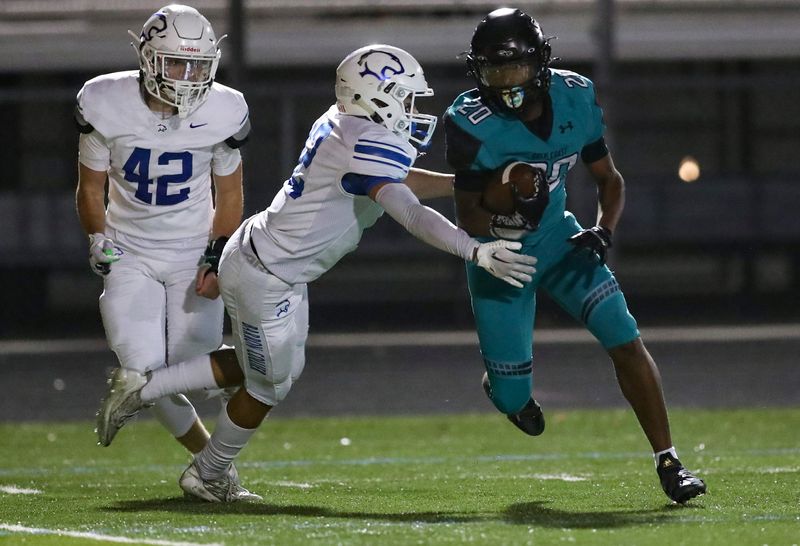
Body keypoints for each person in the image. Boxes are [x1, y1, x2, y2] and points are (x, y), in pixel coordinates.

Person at [95, 43, 538, 502]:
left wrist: (461, 186)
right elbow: (408, 211)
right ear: (372, 96)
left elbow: (395, 179)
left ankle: (148, 388)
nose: (411, 108)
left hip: (269, 262)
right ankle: (203, 468)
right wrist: (474, 250)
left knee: (276, 371)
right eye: (403, 97)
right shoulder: (365, 139)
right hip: (266, 274)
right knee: (267, 386)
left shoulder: (346, 123)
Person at [442, 8, 706, 504]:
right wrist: (505, 219)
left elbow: (609, 179)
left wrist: (603, 230)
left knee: (624, 338)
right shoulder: (469, 120)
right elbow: (469, 215)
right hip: (501, 258)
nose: (507, 84)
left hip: (560, 241)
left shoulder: (574, 95)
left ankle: (670, 461)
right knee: (513, 395)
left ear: (540, 63)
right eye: (495, 72)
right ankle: (504, 390)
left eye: (516, 69)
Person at [76, 4, 249, 482]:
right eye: (175, 63)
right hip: (129, 251)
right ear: (148, 58)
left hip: (192, 251)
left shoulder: (224, 109)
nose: (187, 77)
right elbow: (90, 187)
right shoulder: (105, 101)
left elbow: (229, 193)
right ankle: (215, 470)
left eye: (197, 65)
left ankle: (239, 382)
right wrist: (96, 237)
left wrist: (216, 252)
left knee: (187, 367)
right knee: (141, 370)